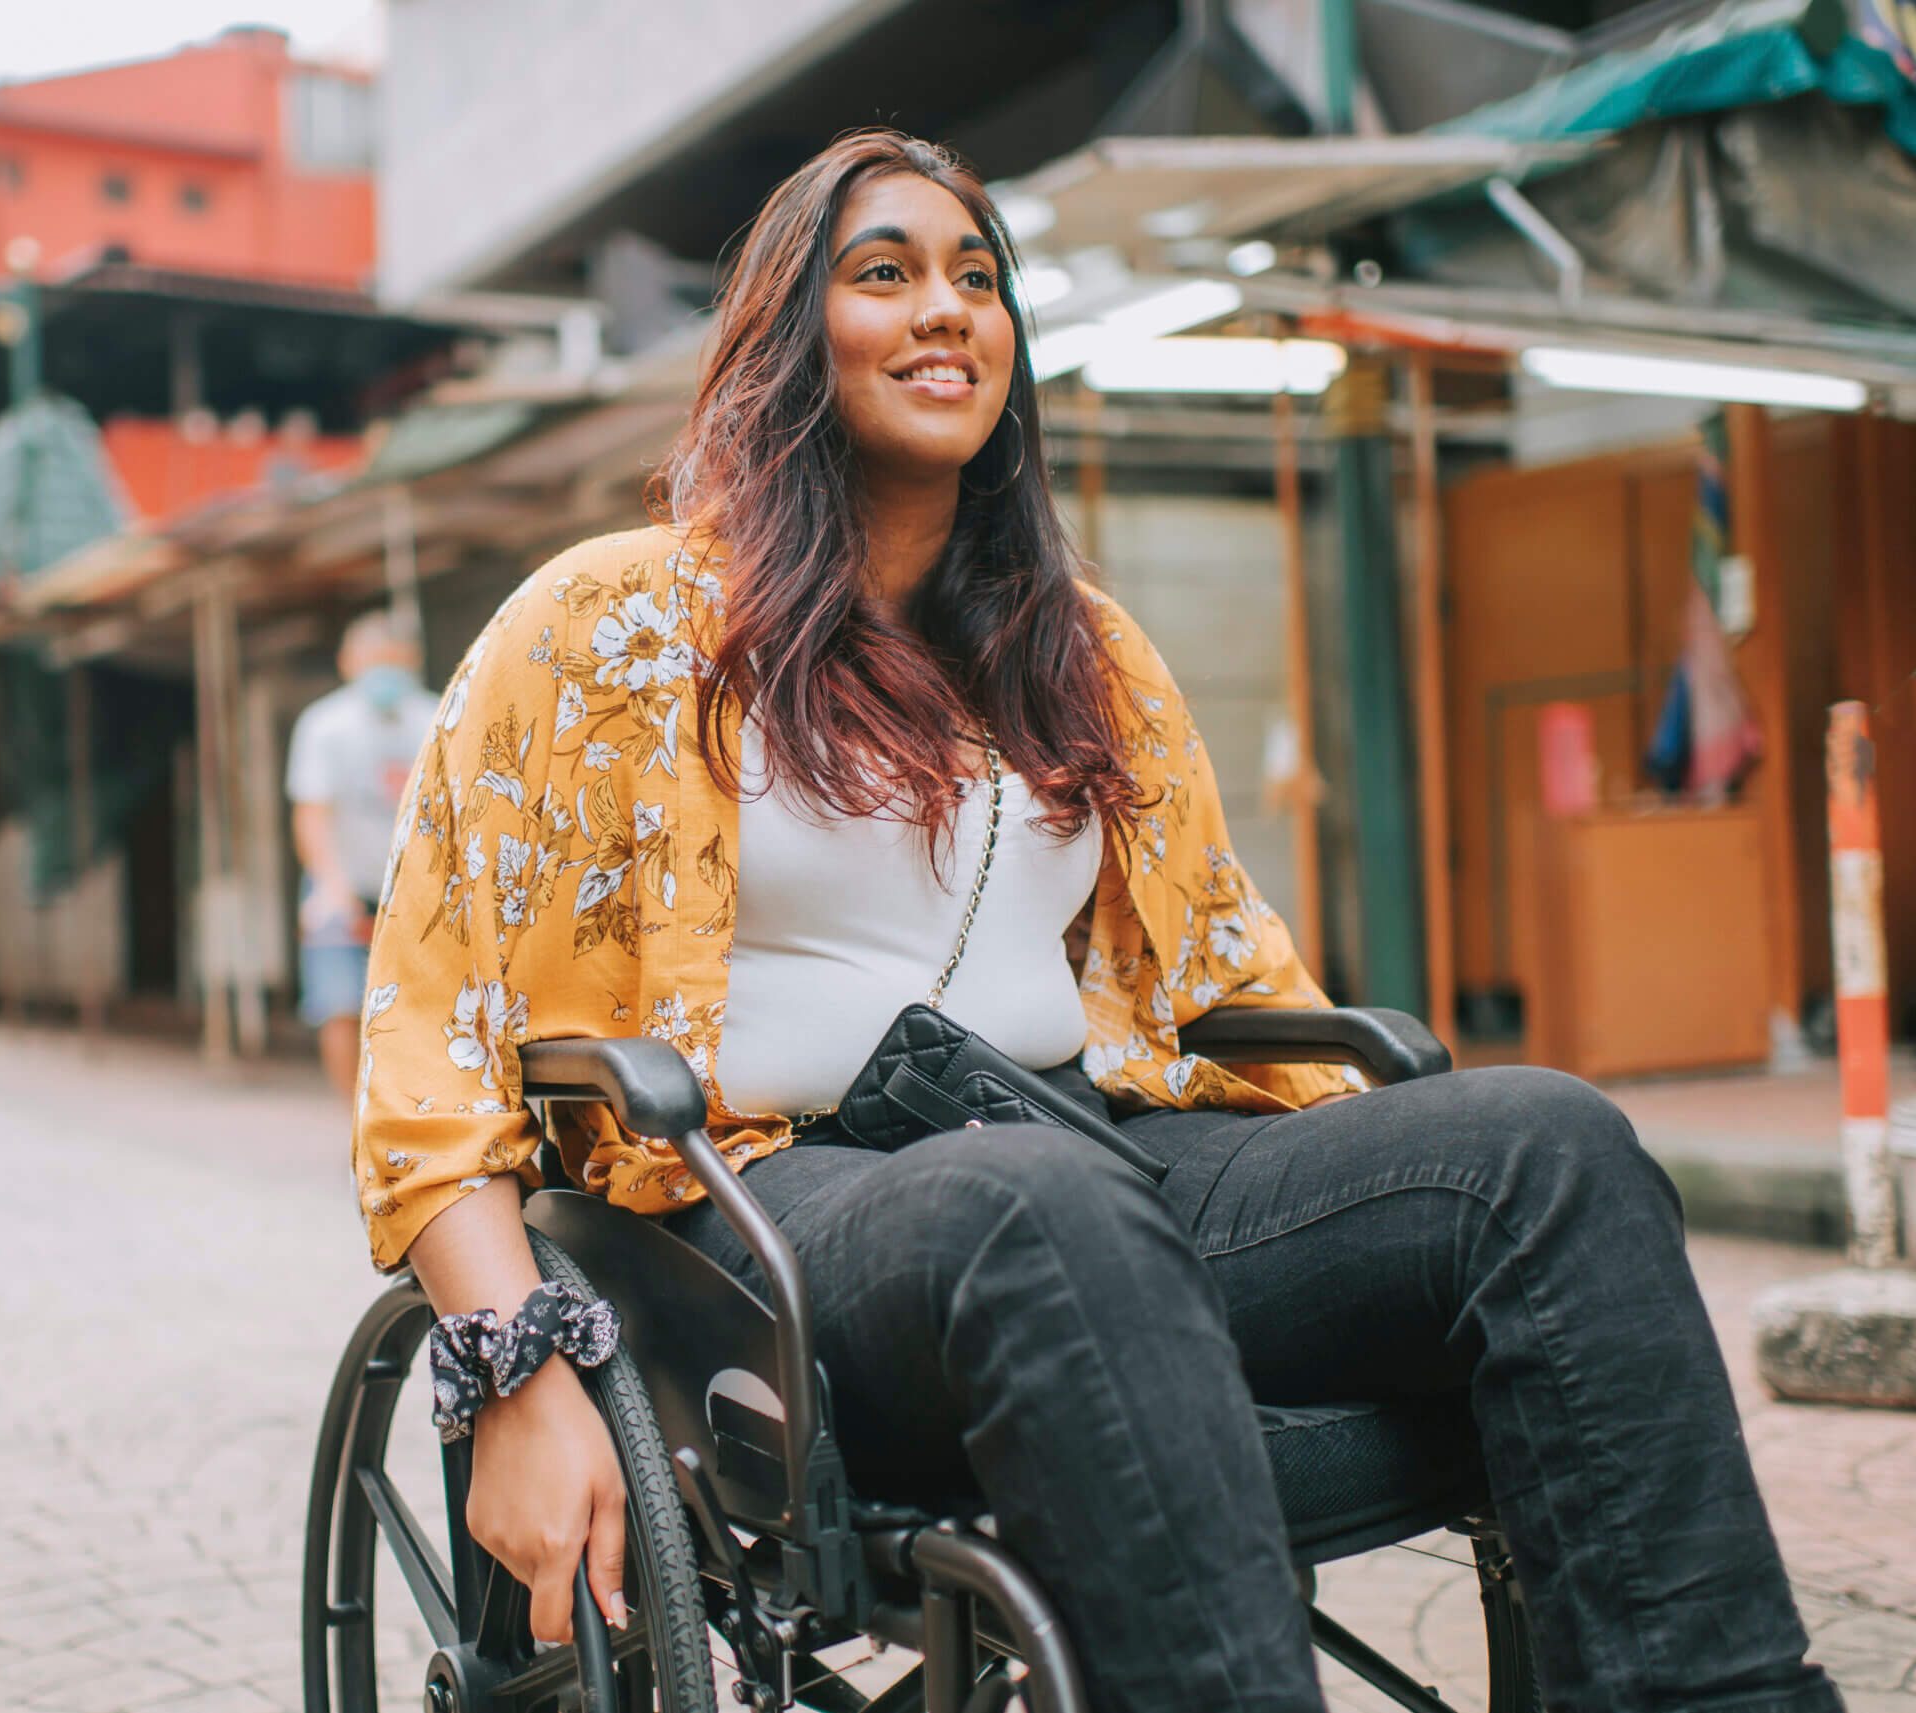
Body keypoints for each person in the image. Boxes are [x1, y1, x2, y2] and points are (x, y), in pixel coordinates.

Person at [351, 133, 1840, 1712]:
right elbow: (433, 1038)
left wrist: (1393, 1225)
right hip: (764, 1200)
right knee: (1039, 1201)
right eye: (885, 273)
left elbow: (1221, 973)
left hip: (1083, 1156)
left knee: (1547, 1150)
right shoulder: (609, 624)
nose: (945, 310)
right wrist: (509, 1371)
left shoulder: (1087, 652)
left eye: (976, 278)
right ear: (790, 333)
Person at [289, 609, 440, 1096]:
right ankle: (355, 1124)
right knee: (339, 1006)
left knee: (426, 1010)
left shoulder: (437, 716)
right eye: (374, 661)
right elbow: (312, 812)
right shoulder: (325, 724)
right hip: (341, 885)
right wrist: (331, 886)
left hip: (416, 892)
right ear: (348, 662)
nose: (385, 672)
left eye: (394, 661)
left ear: (413, 660)